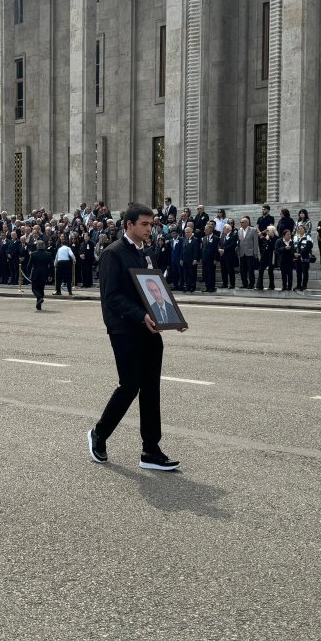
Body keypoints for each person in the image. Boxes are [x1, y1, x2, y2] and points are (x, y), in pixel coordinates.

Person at [88, 202, 183, 472]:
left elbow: (155, 290)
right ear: (128, 225)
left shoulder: (148, 254)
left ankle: (150, 450)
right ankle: (99, 434)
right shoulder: (113, 253)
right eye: (144, 224)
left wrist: (171, 316)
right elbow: (112, 296)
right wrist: (141, 316)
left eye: (151, 224)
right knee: (129, 386)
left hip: (151, 330)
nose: (149, 229)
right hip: (124, 330)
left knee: (151, 388)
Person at [28, 240, 54, 310]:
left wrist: (28, 273)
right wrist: (50, 275)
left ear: (37, 246)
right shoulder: (48, 254)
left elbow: (29, 266)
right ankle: (39, 306)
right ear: (44, 246)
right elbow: (52, 266)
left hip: (35, 273)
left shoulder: (33, 254)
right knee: (41, 289)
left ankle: (39, 298)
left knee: (34, 289)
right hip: (44, 273)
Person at [236, 217, 258, 289]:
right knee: (242, 270)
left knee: (250, 269)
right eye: (240, 222)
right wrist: (238, 252)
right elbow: (239, 242)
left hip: (250, 253)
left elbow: (255, 242)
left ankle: (251, 284)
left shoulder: (253, 230)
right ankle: (244, 283)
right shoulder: (239, 231)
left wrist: (255, 253)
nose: (241, 223)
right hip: (242, 253)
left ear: (247, 223)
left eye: (242, 222)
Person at [292, 226, 313, 291]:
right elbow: (292, 246)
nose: (300, 230)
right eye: (299, 229)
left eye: (301, 228)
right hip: (296, 258)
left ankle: (304, 285)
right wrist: (294, 253)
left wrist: (301, 254)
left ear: (305, 230)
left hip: (305, 257)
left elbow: (309, 246)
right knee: (298, 272)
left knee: (305, 271)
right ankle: (298, 285)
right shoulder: (295, 237)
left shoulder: (308, 237)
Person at [256, 226, 277, 291]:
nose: (267, 232)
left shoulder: (275, 238)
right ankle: (259, 285)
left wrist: (267, 240)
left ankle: (271, 285)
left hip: (271, 256)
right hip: (264, 256)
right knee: (261, 270)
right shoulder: (267, 238)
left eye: (268, 230)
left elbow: (273, 247)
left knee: (270, 271)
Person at [200, 224, 218, 293]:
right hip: (205, 259)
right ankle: (207, 287)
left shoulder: (215, 238)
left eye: (206, 230)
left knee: (211, 274)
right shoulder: (204, 238)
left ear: (210, 229)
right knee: (205, 274)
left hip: (211, 259)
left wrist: (215, 259)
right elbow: (202, 249)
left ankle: (212, 288)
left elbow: (216, 249)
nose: (204, 231)